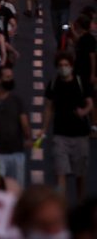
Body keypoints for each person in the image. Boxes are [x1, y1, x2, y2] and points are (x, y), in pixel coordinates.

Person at [40, 52, 94, 202]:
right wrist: (44, 128)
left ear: (71, 66)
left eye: (66, 65)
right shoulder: (54, 83)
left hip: (80, 135)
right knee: (60, 172)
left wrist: (84, 111)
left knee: (80, 174)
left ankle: (80, 202)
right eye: (60, 65)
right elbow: (49, 107)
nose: (63, 68)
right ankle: (61, 206)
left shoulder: (80, 82)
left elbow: (90, 102)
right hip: (60, 134)